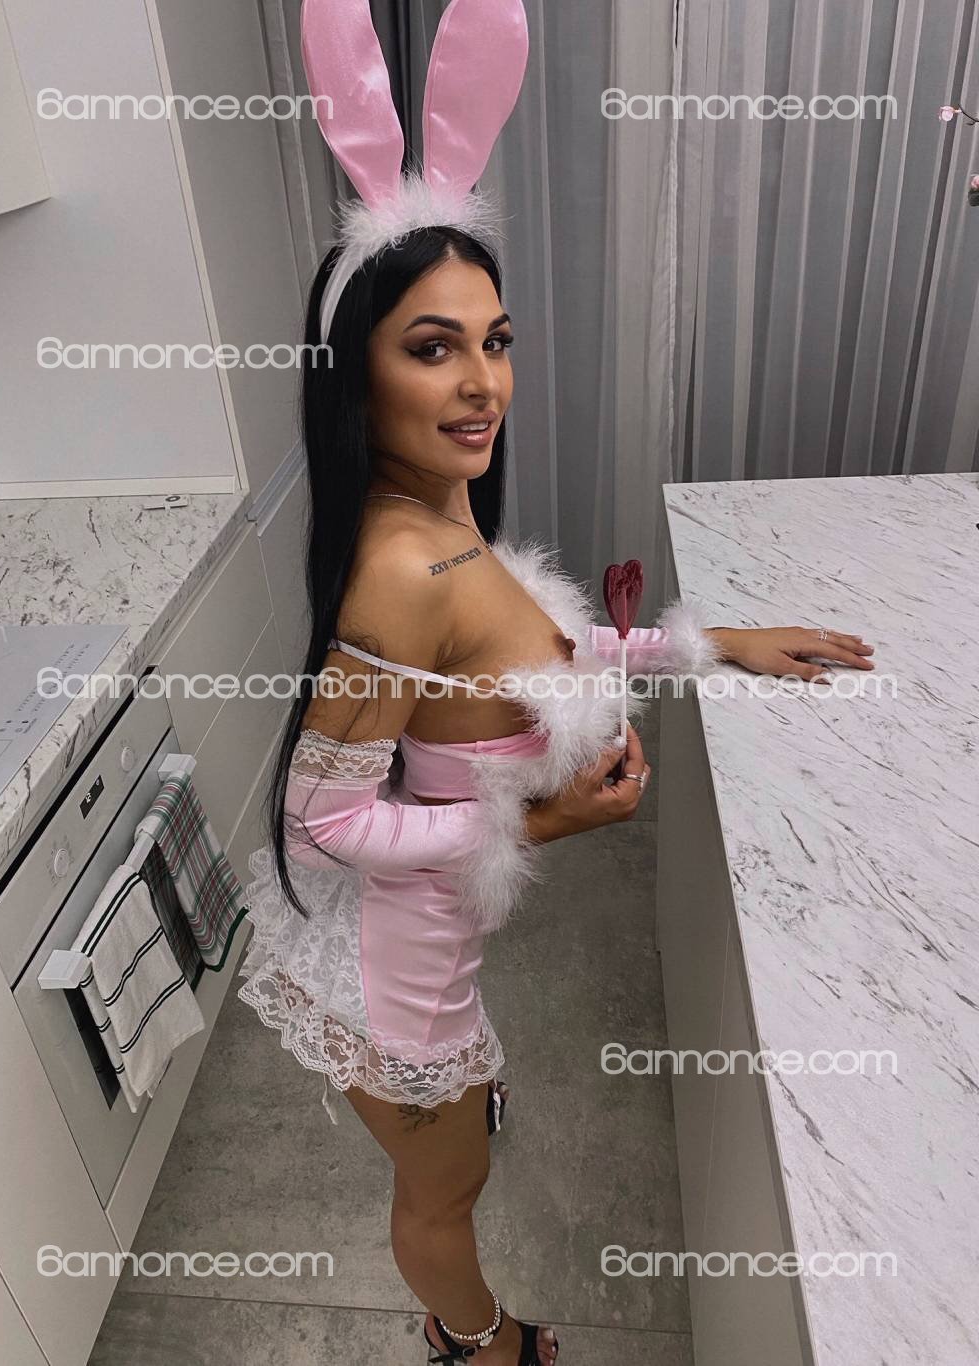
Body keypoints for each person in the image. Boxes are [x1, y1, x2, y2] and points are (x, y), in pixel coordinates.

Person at [236, 4, 875, 1362]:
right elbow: (322, 821)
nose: (484, 384)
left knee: (459, 1139)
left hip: (427, 944)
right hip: (407, 984)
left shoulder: (443, 515)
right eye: (432, 347)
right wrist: (539, 821)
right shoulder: (403, 569)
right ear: (356, 374)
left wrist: (714, 642)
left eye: (497, 339)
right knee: (444, 1193)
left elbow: (536, 654)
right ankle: (475, 1342)